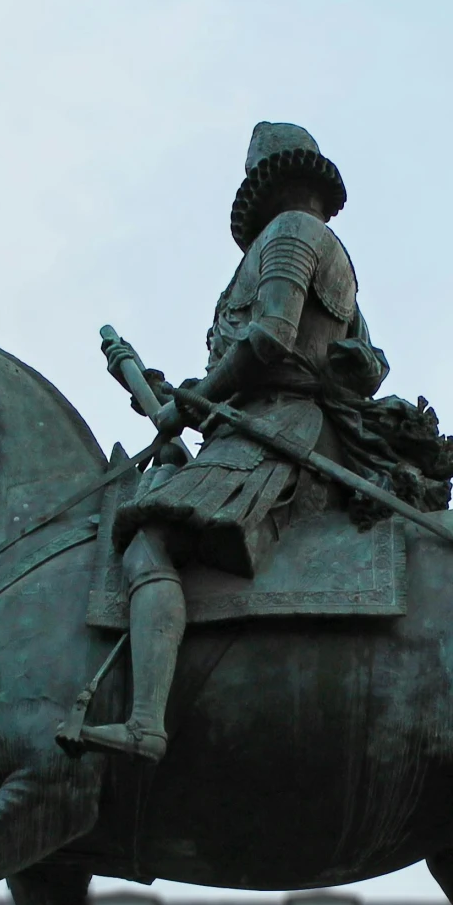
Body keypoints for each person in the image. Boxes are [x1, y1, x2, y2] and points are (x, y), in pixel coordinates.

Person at [75, 122, 384, 762]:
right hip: (259, 423)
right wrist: (183, 400)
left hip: (281, 431)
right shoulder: (325, 246)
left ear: (264, 187)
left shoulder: (291, 236)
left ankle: (144, 724)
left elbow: (269, 338)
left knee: (150, 541)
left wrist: (198, 401)